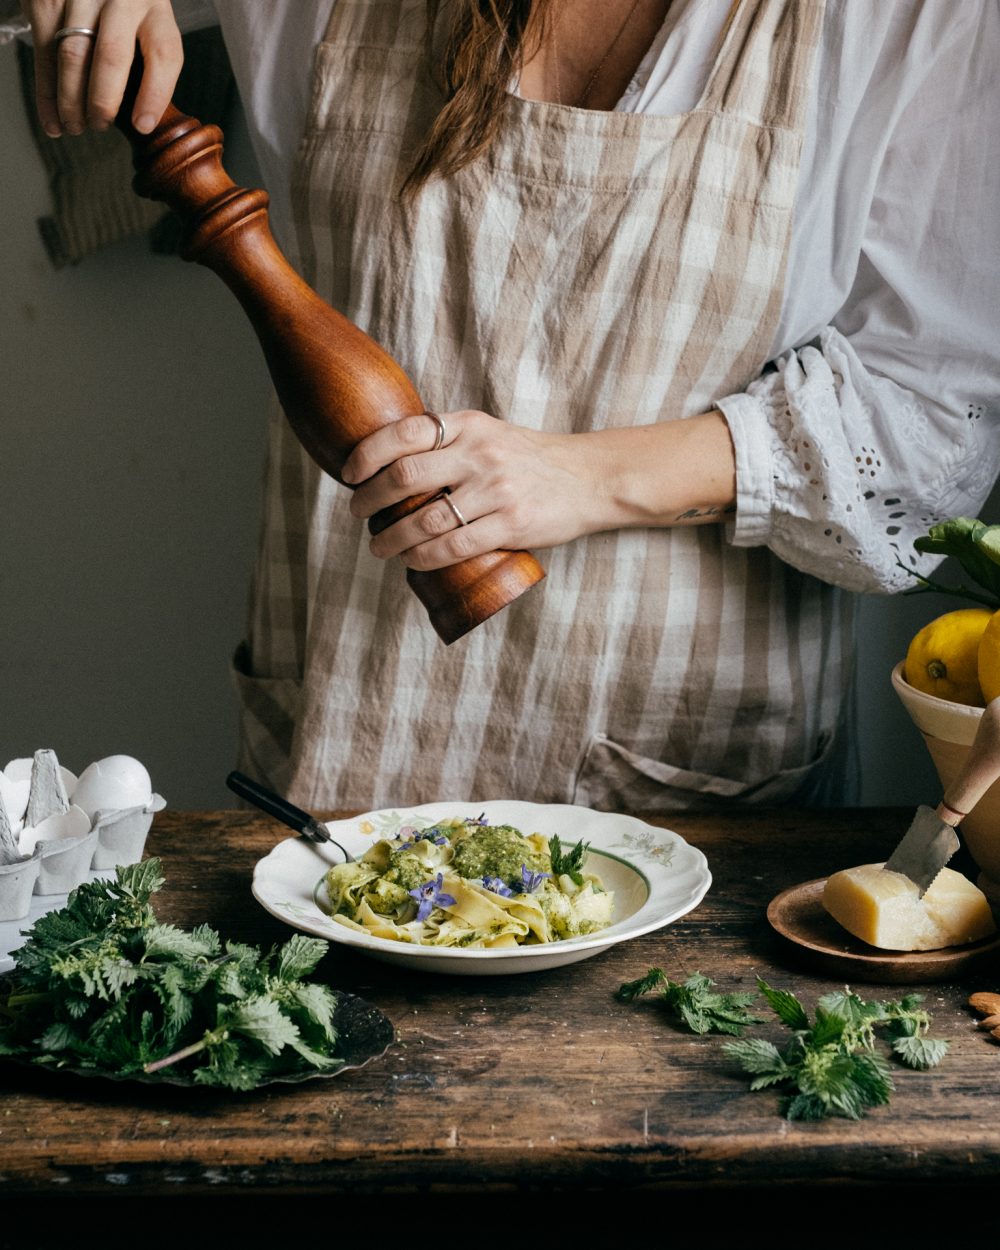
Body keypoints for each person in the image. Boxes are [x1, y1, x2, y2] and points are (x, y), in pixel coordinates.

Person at [10, 0, 1000, 814]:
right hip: (342, 742)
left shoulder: (911, 18)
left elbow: (931, 419)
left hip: (697, 788)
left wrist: (581, 475)